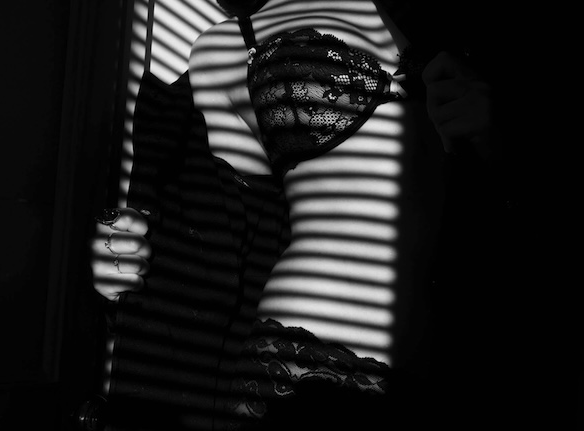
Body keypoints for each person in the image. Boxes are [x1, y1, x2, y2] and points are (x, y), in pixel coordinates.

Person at [91, 0, 509, 429]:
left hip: (446, 367)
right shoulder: (230, 45)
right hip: (311, 364)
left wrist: (497, 141)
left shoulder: (453, 32)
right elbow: (207, 229)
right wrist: (121, 252)